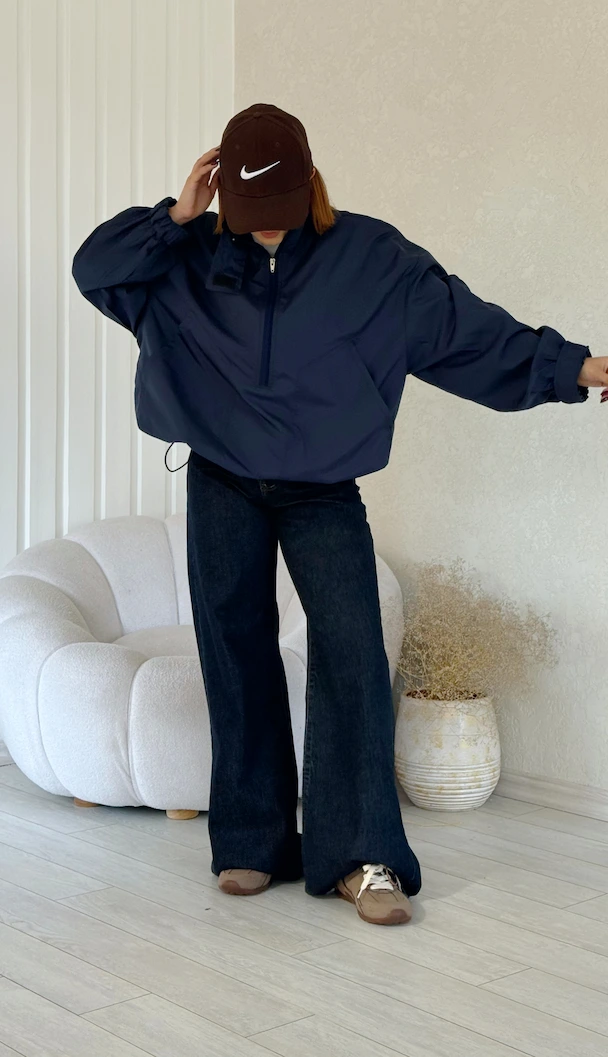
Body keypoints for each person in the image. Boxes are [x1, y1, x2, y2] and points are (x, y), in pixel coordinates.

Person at [72, 102, 608, 927]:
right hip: (220, 480)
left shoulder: (374, 261)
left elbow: (469, 334)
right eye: (249, 211)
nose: (267, 227)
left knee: (354, 650)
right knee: (234, 650)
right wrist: (174, 216)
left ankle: (364, 857)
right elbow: (94, 268)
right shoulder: (184, 255)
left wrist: (577, 368)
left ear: (312, 184)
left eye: (281, 209)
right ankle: (251, 841)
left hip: (322, 488)